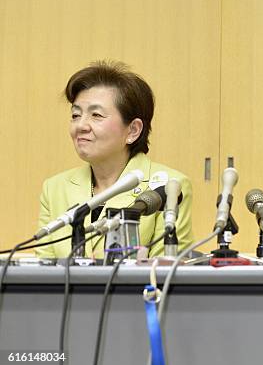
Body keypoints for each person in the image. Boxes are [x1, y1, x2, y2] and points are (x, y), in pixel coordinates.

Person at [36, 61, 194, 259]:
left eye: (96, 115)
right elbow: (44, 267)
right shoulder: (55, 188)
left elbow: (166, 270)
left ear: (133, 130)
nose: (81, 125)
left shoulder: (169, 186)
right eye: (76, 115)